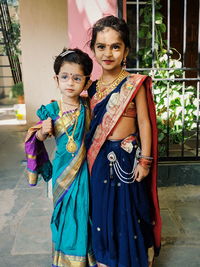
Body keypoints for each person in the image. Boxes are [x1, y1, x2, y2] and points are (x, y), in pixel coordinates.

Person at [85, 16, 161, 267]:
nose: (108, 53)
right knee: (103, 212)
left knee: (133, 210)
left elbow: (144, 123)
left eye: (115, 46)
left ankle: (137, 257)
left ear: (126, 50)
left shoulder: (134, 84)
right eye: (101, 46)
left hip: (128, 159)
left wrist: (145, 160)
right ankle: (106, 258)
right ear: (93, 48)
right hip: (98, 159)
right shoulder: (92, 88)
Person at [25, 48, 97, 267]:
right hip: (62, 172)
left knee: (84, 213)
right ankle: (66, 260)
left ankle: (84, 258)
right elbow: (33, 137)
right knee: (64, 216)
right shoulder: (51, 110)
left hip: (85, 170)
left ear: (86, 82)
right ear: (56, 79)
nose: (70, 83)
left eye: (77, 78)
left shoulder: (89, 106)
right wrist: (42, 132)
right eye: (65, 77)